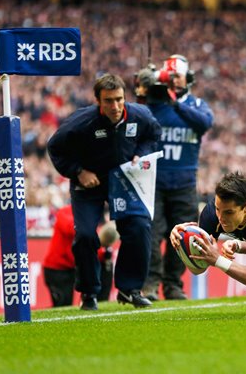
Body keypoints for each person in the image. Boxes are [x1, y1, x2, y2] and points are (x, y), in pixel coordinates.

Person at [47, 73, 162, 310]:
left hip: (124, 180)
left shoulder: (140, 116)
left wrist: (141, 152)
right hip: (89, 182)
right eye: (108, 101)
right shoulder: (81, 122)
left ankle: (129, 289)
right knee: (87, 235)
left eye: (119, 99)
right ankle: (89, 293)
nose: (115, 106)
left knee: (139, 227)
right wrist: (78, 171)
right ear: (98, 101)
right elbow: (55, 147)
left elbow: (153, 135)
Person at [137, 55, 214, 301]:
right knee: (152, 232)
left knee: (181, 235)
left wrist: (175, 103)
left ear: (188, 78)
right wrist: (142, 90)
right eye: (169, 77)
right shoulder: (152, 104)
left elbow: (204, 123)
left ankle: (173, 285)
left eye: (177, 76)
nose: (174, 81)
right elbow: (135, 116)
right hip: (154, 182)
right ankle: (150, 284)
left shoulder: (196, 104)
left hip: (184, 183)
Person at [43, 205, 119, 307]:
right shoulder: (65, 212)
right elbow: (72, 229)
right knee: (63, 303)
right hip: (58, 268)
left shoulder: (93, 216)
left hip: (73, 266)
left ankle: (97, 300)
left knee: (104, 262)